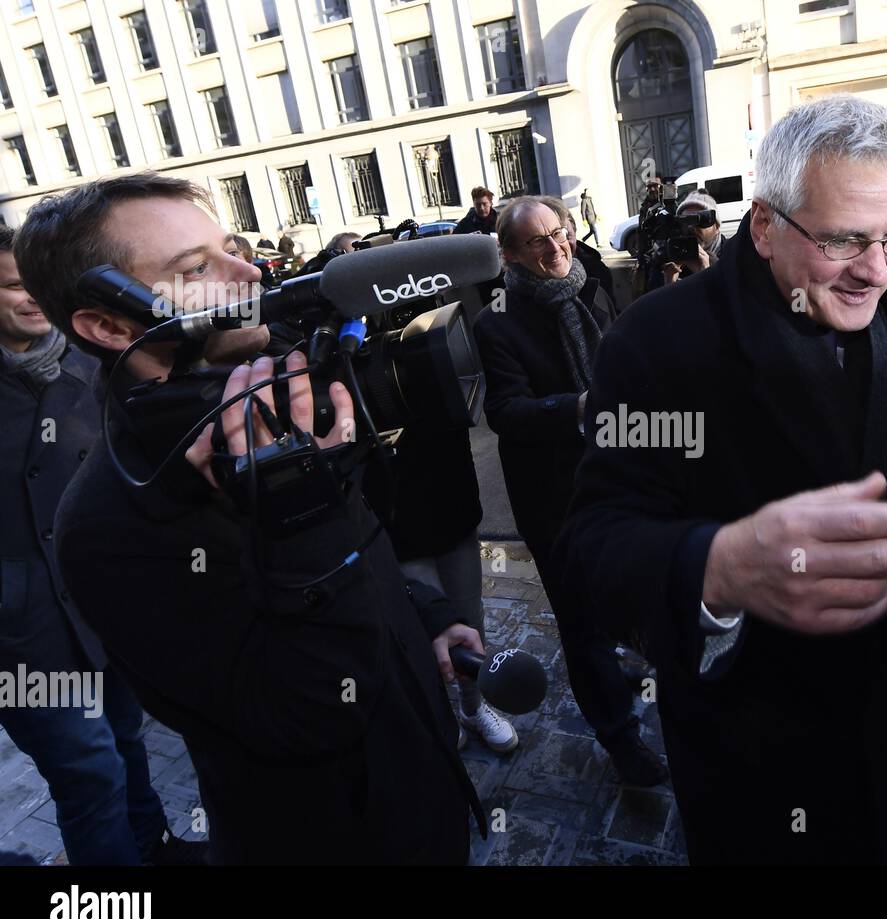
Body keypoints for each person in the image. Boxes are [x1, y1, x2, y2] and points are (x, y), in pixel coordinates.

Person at [15, 172, 487, 864]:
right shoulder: (105, 528)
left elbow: (362, 556)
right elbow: (308, 710)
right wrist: (301, 511)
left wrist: (426, 615)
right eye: (197, 267)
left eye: (230, 247)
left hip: (427, 790)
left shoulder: (266, 392)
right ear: (108, 324)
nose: (249, 271)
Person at [554, 96, 887, 864]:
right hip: (739, 728)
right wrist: (719, 567)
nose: (876, 268)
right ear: (763, 225)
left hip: (869, 700)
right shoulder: (655, 341)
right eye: (843, 239)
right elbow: (590, 549)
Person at [0, 225, 192, 865]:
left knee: (126, 739)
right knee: (89, 772)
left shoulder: (94, 362)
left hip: (103, 607)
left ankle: (154, 846)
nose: (28, 298)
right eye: (9, 286)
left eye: (32, 283)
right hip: (23, 642)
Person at [471, 197, 664, 786]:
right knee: (578, 622)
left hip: (622, 474)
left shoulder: (590, 283)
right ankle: (620, 741)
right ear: (508, 254)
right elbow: (504, 410)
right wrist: (576, 407)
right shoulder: (495, 318)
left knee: (630, 592)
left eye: (560, 233)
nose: (557, 248)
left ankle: (621, 657)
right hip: (554, 496)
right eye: (537, 243)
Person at [538, 196, 617, 310]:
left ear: (575, 234)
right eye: (541, 240)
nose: (556, 247)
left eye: (564, 235)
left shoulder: (597, 271)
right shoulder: (509, 297)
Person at [661, 190, 727, 286]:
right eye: (685, 220)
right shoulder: (673, 257)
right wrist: (670, 285)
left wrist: (707, 275)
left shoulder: (733, 257)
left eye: (700, 220)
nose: (691, 226)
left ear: (716, 227)